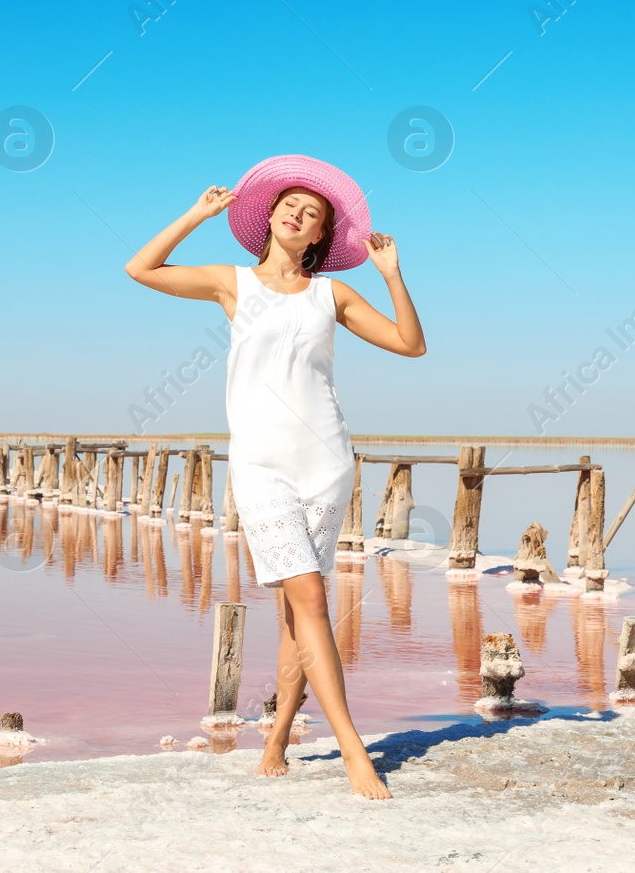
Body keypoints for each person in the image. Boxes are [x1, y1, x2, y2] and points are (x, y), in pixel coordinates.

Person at [125, 154, 425, 800]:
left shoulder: (332, 294)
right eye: (290, 203)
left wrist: (394, 275)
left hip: (326, 465)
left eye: (312, 212)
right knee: (313, 600)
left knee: (300, 609)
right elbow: (140, 267)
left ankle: (277, 735)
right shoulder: (235, 284)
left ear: (321, 235)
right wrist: (197, 215)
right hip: (260, 466)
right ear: (269, 217)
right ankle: (352, 747)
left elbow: (409, 343)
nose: (298, 213)